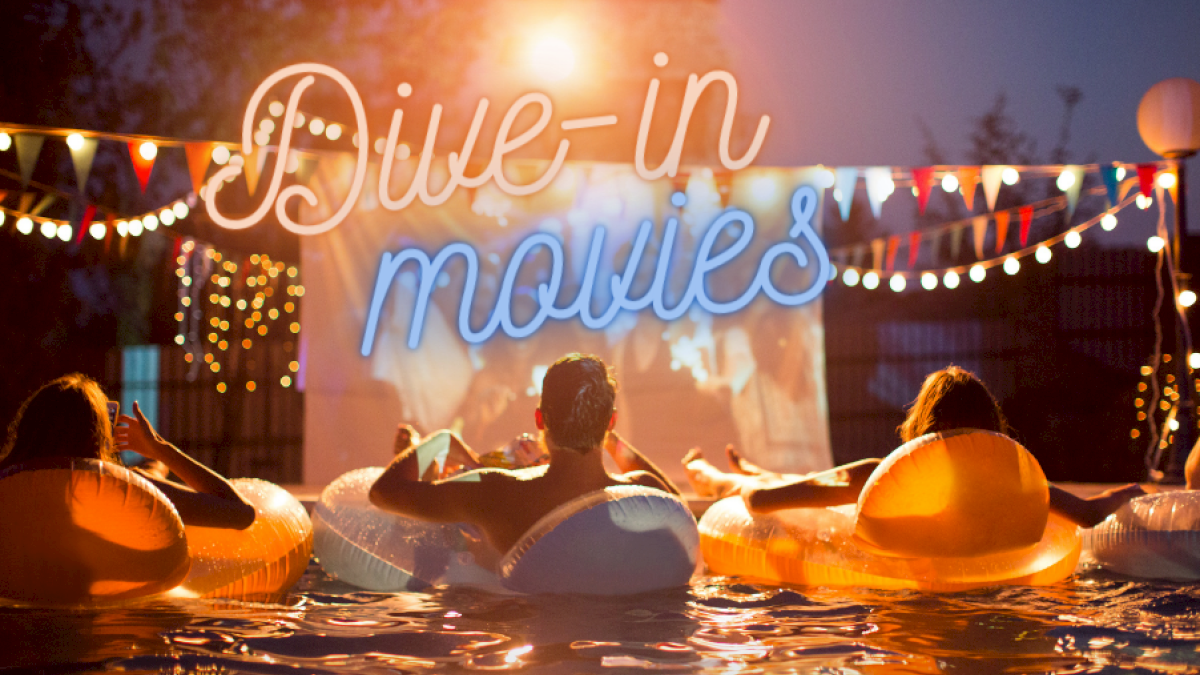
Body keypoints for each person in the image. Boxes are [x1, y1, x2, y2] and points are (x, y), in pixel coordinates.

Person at [684, 365, 1145, 528]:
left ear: (922, 427)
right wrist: (1128, 492)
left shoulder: (877, 477)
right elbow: (1087, 514)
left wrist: (748, 487)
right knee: (765, 482)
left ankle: (736, 471)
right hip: (860, 509)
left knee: (775, 484)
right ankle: (720, 472)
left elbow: (764, 502)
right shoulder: (1012, 483)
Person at [369, 353, 683, 555]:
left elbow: (384, 493)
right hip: (619, 642)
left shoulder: (497, 492)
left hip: (520, 635)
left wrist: (438, 441)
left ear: (539, 420)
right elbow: (683, 520)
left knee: (455, 539)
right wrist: (602, 429)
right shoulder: (645, 492)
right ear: (611, 422)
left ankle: (424, 458)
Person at [0, 373, 255, 530]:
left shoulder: (7, 480)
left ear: (29, 427)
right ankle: (155, 466)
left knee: (148, 472)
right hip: (100, 614)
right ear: (97, 436)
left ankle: (154, 467)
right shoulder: (118, 486)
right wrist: (161, 449)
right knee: (149, 473)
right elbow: (241, 514)